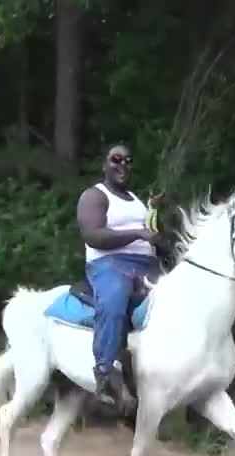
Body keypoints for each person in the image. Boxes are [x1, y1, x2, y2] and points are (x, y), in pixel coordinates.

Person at [75, 143, 161, 411]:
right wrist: (137, 234)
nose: (122, 165)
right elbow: (93, 235)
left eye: (128, 160)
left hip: (147, 265)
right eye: (116, 159)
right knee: (115, 299)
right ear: (105, 165)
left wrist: (156, 224)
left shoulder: (137, 200)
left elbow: (152, 232)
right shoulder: (94, 196)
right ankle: (105, 370)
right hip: (109, 264)